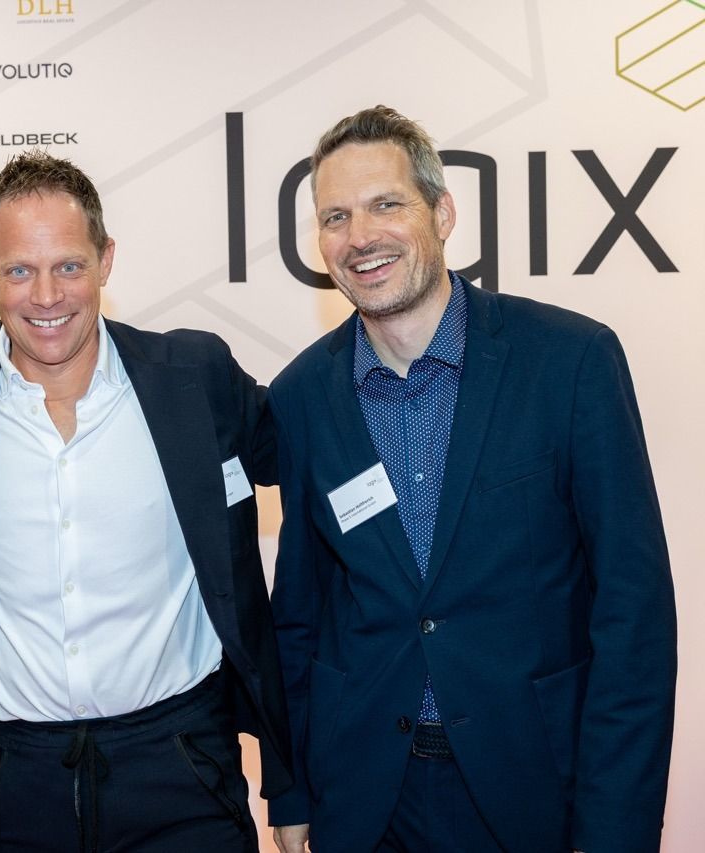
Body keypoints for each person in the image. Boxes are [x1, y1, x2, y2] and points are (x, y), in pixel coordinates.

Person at [268, 106, 676, 852]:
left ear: (443, 213)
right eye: (335, 216)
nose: (360, 236)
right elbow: (299, 615)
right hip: (364, 799)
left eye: (386, 204)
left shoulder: (569, 362)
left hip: (534, 790)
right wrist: (291, 790)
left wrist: (616, 827)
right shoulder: (300, 397)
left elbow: (633, 612)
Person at [0, 151, 292, 852]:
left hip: (184, 772)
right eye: (19, 270)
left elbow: (316, 448)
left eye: (68, 265)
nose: (46, 296)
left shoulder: (193, 378)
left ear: (106, 260)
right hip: (22, 785)